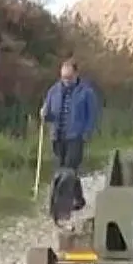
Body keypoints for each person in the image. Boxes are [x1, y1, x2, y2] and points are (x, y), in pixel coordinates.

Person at [41, 59, 100, 210]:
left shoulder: (86, 92)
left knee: (69, 169)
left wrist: (87, 132)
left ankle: (63, 203)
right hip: (58, 136)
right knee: (61, 169)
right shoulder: (53, 91)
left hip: (76, 136)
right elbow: (49, 113)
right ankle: (78, 199)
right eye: (63, 78)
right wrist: (44, 114)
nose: (66, 81)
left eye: (69, 77)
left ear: (76, 74)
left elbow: (92, 115)